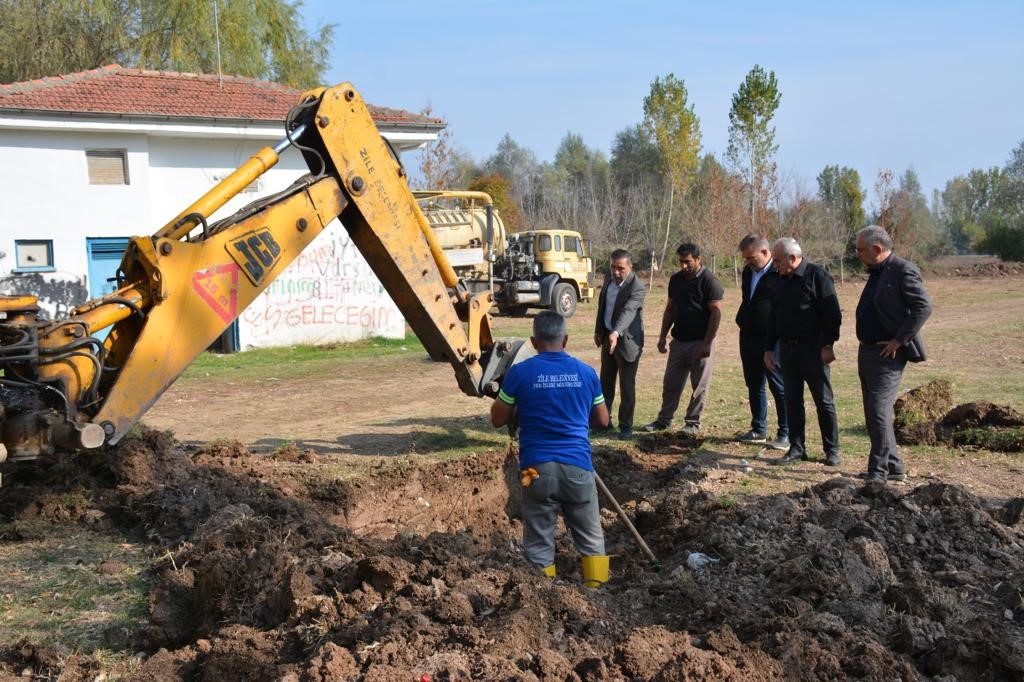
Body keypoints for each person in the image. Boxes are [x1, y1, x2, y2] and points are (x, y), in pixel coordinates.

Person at [490, 311, 611, 586]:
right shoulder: (586, 373)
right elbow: (602, 420)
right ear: (565, 339)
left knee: (538, 537)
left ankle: (543, 598)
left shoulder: (521, 373)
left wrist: (520, 407)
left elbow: (498, 419)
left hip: (535, 469)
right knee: (591, 538)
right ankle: (596, 593)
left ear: (533, 341)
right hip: (578, 466)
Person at [854, 225, 932, 483]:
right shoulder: (877, 271)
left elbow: (923, 307)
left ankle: (878, 472)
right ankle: (894, 466)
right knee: (872, 411)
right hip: (868, 351)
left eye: (860, 250)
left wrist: (900, 339)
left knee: (878, 411)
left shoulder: (902, 270)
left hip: (887, 354)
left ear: (877, 249)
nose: (857, 254)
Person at [765, 238, 842, 466]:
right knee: (792, 401)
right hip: (787, 350)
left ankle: (832, 449)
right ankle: (797, 448)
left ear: (792, 258)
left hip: (813, 349)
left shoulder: (818, 276)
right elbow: (773, 317)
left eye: (777, 260)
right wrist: (770, 347)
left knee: (823, 400)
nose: (774, 265)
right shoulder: (778, 280)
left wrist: (828, 345)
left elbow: (833, 315)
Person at [643, 243, 724, 436]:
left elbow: (716, 313)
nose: (684, 266)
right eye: (681, 262)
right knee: (671, 383)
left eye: (687, 262)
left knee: (699, 386)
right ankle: (664, 420)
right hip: (678, 341)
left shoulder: (709, 281)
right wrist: (663, 336)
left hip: (701, 342)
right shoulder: (676, 280)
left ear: (698, 259)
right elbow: (671, 308)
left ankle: (692, 423)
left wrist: (707, 342)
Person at [734, 234, 789, 450]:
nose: (747, 262)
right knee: (754, 382)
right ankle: (759, 428)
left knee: (778, 385)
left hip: (771, 339)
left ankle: (786, 433)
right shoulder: (748, 271)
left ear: (766, 253)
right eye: (745, 258)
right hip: (747, 335)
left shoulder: (780, 273)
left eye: (751, 257)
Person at [593, 249, 645, 440]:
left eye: (620, 268)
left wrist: (616, 332)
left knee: (627, 386)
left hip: (628, 343)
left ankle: (626, 427)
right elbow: (602, 306)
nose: (615, 272)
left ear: (630, 267)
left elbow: (628, 312)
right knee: (605, 383)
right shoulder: (608, 278)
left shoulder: (637, 287)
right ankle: (604, 423)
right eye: (613, 267)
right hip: (607, 338)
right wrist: (599, 330)